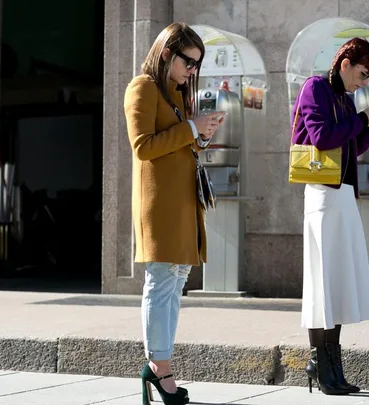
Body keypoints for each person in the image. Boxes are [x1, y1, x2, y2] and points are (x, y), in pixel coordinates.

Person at [123, 22, 224, 405]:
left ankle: (160, 364)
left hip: (182, 199)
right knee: (162, 280)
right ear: (167, 53)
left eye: (197, 64)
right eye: (188, 62)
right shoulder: (142, 87)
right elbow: (143, 147)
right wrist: (190, 129)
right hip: (159, 203)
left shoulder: (176, 95)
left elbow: (179, 147)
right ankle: (159, 367)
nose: (192, 71)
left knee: (176, 279)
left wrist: (200, 135)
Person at [290, 37, 369, 396]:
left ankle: (331, 364)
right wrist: (362, 118)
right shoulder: (315, 88)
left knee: (337, 283)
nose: (364, 82)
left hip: (343, 194)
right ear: (345, 63)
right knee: (322, 283)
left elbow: (351, 146)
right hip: (321, 195)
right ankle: (321, 362)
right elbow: (321, 136)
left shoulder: (345, 99)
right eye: (363, 74)